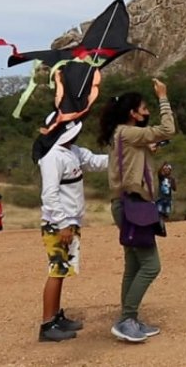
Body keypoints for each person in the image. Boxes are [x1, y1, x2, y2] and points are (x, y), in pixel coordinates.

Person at [101, 80, 176, 343]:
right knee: (151, 265)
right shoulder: (128, 133)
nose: (147, 112)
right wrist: (163, 97)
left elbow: (135, 156)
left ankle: (129, 318)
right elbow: (168, 129)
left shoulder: (121, 134)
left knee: (133, 265)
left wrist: (148, 147)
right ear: (133, 112)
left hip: (125, 204)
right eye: (144, 108)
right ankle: (126, 320)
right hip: (133, 205)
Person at [36, 106, 111, 343]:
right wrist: (63, 224)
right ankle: (48, 325)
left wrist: (126, 155)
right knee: (56, 271)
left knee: (63, 270)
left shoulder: (73, 152)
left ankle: (57, 316)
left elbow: (97, 162)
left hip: (70, 222)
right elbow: (49, 195)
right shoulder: (52, 158)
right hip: (58, 224)